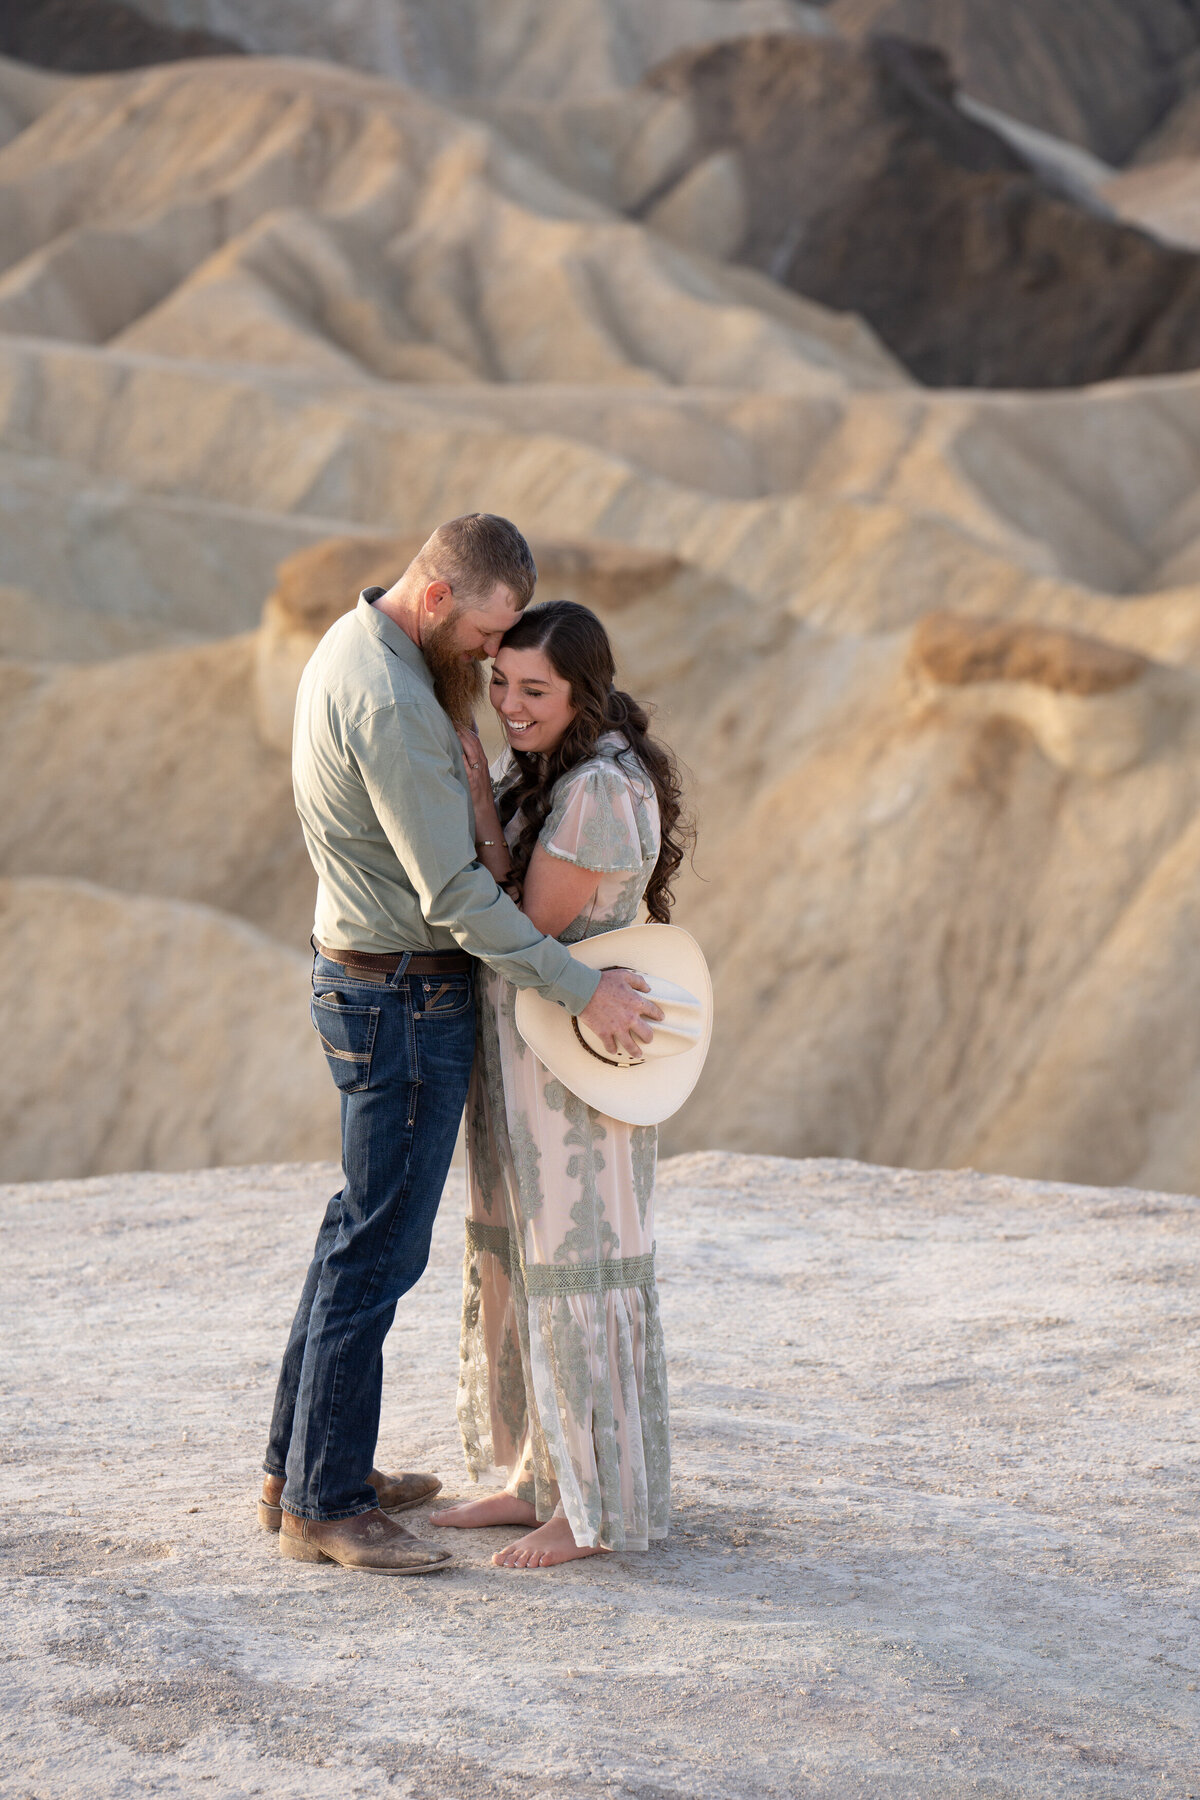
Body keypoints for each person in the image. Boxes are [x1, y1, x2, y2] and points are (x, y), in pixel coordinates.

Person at [260, 516, 662, 1576]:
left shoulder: (364, 647)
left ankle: (297, 1466)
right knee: (380, 1246)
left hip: (375, 981)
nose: (492, 664)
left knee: (359, 1228)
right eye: (487, 640)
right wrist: (580, 987)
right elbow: (452, 895)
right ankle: (325, 1501)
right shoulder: (394, 696)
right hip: (399, 991)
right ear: (441, 600)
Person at [429, 599, 692, 1568]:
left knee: (577, 1269)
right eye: (501, 683)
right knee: (523, 1260)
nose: (510, 704)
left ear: (584, 692)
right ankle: (536, 1479)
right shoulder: (552, 773)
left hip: (571, 1072)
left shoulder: (595, 791)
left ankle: (592, 1509)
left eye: (534, 689)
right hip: (524, 1052)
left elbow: (527, 923)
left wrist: (470, 804)